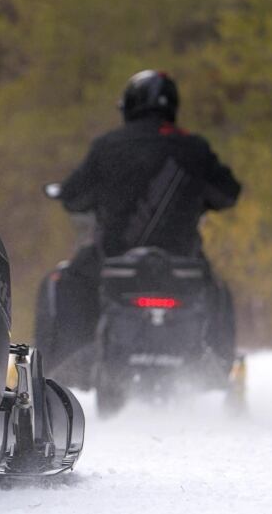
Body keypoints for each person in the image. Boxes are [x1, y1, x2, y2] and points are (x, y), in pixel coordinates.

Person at [40, 70, 241, 365]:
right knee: (217, 292)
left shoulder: (108, 146)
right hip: (183, 265)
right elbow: (228, 193)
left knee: (64, 283)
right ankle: (221, 365)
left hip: (112, 260)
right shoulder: (195, 148)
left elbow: (74, 196)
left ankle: (58, 370)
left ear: (131, 105)